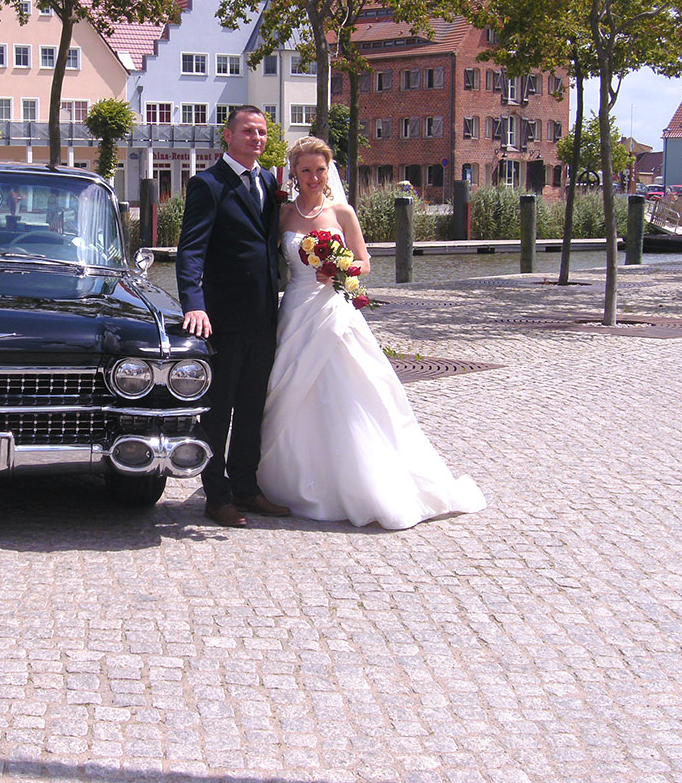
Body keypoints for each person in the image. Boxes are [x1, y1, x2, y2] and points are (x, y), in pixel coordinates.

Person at [256, 136, 485, 529]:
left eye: (320, 169)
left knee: (352, 387)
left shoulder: (342, 212)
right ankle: (287, 479)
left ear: (329, 172)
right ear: (294, 172)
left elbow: (364, 261)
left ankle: (360, 479)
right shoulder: (284, 215)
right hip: (295, 308)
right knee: (290, 385)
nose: (314, 177)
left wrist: (340, 268)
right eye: (306, 169)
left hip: (334, 308)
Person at [176, 105, 292, 528]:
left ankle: (246, 486)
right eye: (248, 131)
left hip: (263, 314)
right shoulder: (208, 184)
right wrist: (194, 303)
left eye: (261, 132)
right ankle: (217, 496)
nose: (256, 138)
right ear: (227, 136)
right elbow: (191, 249)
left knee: (251, 406)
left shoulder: (269, 182)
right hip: (222, 317)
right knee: (218, 408)